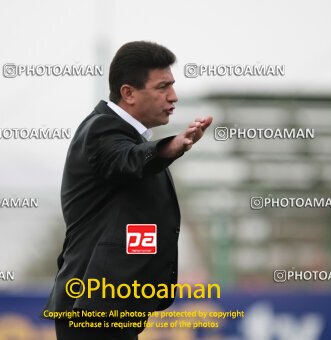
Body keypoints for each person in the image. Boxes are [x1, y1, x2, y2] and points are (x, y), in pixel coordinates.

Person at [45, 41, 213, 339]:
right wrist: (171, 146)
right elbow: (128, 160)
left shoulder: (128, 137)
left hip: (110, 308)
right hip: (92, 308)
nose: (173, 96)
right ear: (128, 93)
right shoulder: (101, 130)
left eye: (172, 85)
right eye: (162, 87)